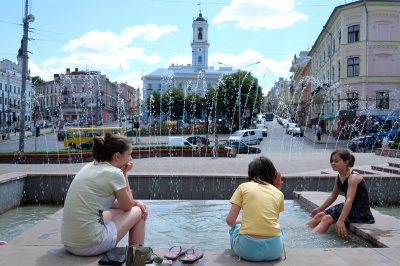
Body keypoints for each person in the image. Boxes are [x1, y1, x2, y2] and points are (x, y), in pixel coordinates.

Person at [61, 132, 148, 256]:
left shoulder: (90, 166)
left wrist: (136, 203)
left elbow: (111, 204)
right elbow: (128, 206)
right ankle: (136, 257)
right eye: (129, 154)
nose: (131, 159)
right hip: (90, 245)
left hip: (70, 243)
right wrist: (124, 174)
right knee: (139, 212)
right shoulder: (115, 173)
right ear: (118, 155)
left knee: (127, 208)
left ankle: (134, 255)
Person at [226, 156, 285, 262]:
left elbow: (230, 221)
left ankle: (234, 261)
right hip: (274, 251)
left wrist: (239, 221)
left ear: (251, 174)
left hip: (248, 251)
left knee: (234, 229)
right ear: (272, 174)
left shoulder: (243, 187)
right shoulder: (278, 193)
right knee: (280, 229)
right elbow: (272, 220)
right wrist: (277, 189)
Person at [305, 149, 375, 236]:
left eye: (336, 161)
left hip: (360, 212)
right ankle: (296, 231)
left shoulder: (353, 177)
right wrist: (319, 209)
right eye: (332, 161)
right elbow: (332, 197)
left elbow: (349, 200)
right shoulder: (339, 177)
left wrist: (341, 220)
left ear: (346, 162)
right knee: (319, 215)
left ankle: (308, 237)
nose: (332, 163)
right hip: (349, 208)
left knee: (327, 218)